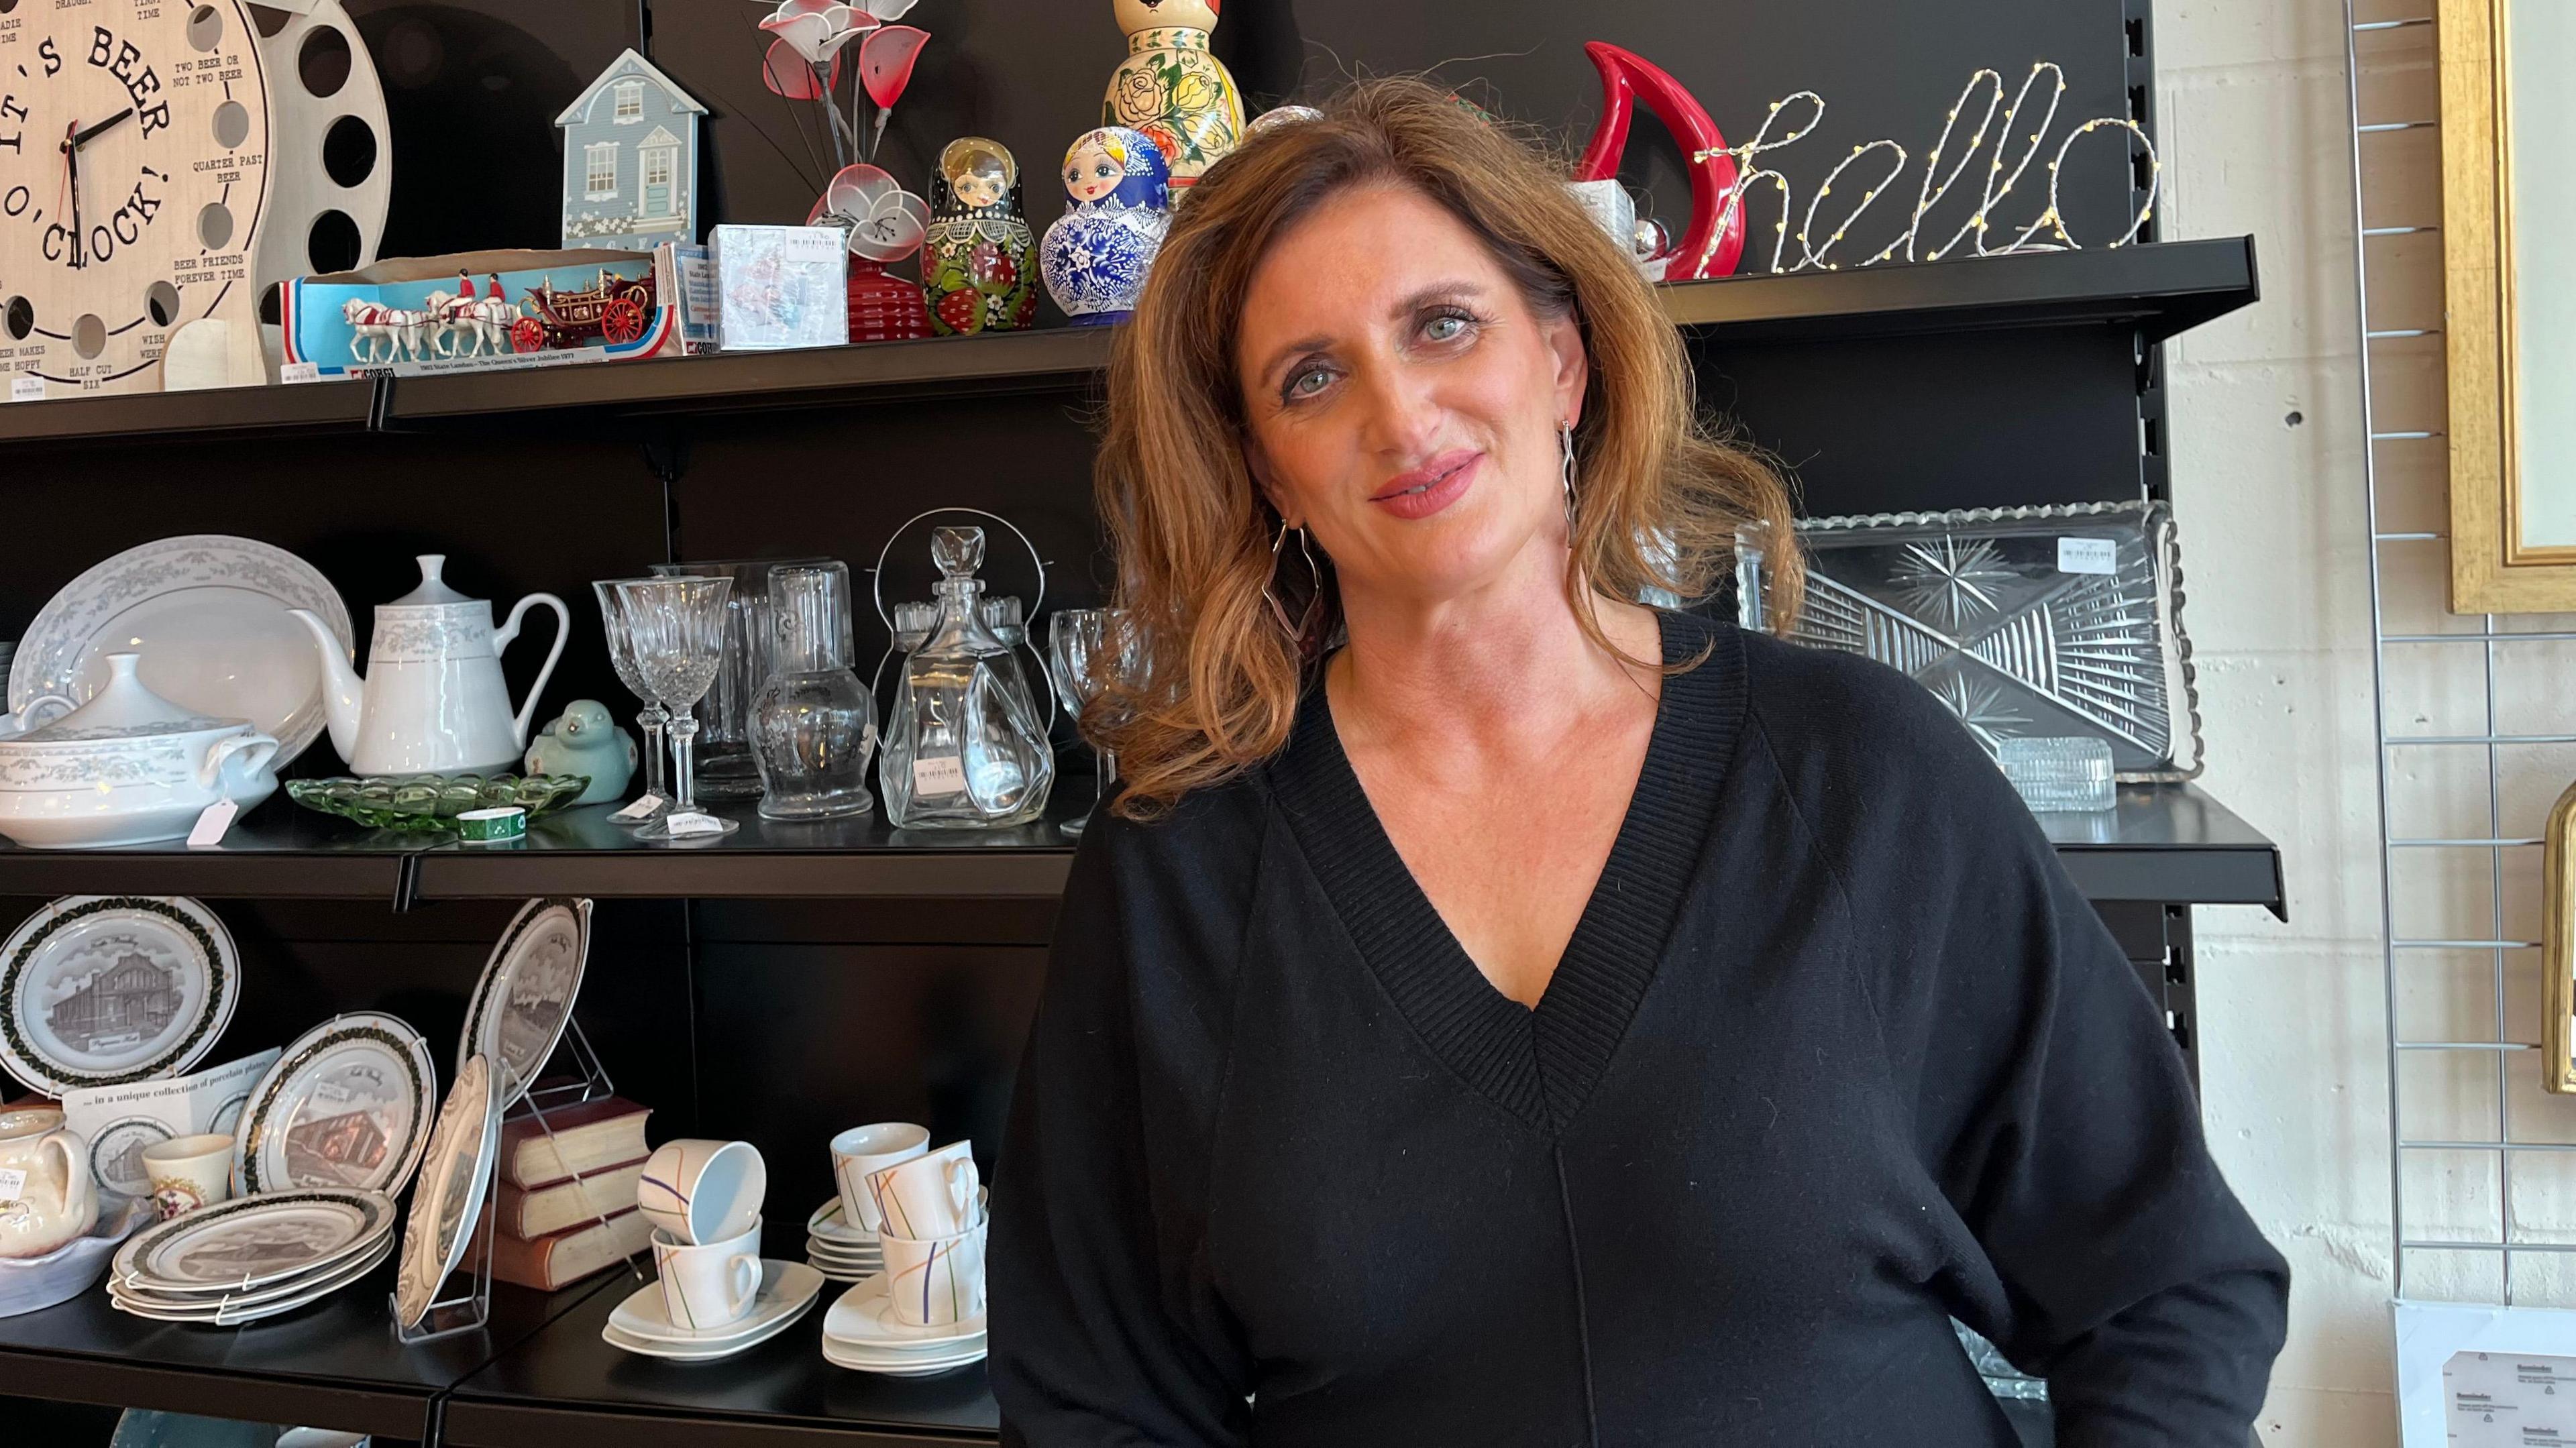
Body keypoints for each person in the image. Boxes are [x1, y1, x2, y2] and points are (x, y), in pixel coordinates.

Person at [989, 76, 2288, 1446]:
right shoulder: (1179, 870)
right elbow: (1097, 1409)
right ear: (1265, 467)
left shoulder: (1859, 774)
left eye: (1443, 325)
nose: (1399, 412)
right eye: (1313, 376)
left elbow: (2166, 1289)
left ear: (1563, 361)